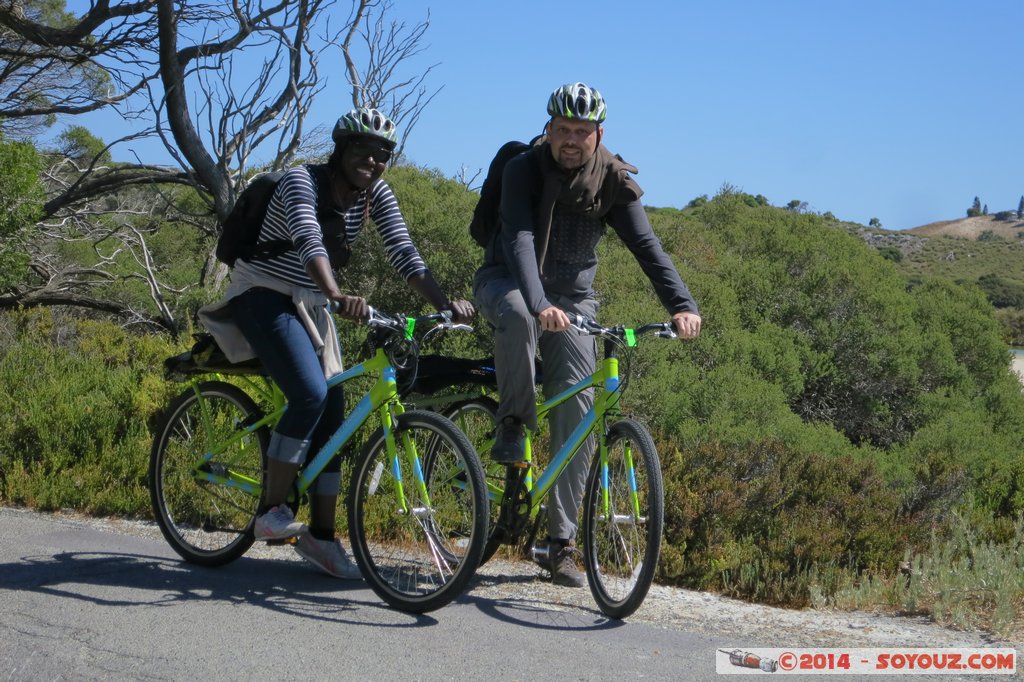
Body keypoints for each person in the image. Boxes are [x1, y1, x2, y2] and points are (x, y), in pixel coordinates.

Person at [200, 107, 473, 579]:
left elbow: (404, 253)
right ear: (341, 149)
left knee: (335, 413)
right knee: (309, 393)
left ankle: (322, 540)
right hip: (262, 292)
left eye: (383, 154)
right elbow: (310, 241)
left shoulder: (376, 195)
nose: (372, 161)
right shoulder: (299, 183)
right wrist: (337, 294)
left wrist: (446, 303)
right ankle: (270, 512)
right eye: (363, 150)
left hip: (311, 302)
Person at [473, 83, 701, 588]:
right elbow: (518, 237)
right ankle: (513, 424)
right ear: (549, 128)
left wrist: (682, 306)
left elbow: (646, 245)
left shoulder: (612, 180)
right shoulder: (522, 169)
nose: (571, 140)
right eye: (563, 130)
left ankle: (560, 544)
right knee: (515, 313)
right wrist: (537, 304)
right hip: (507, 282)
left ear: (599, 134)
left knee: (578, 412)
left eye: (582, 131)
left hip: (573, 302)